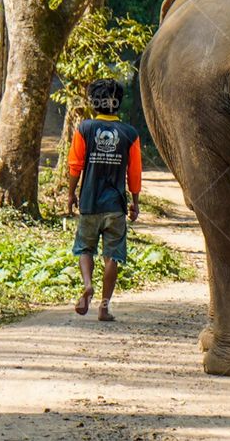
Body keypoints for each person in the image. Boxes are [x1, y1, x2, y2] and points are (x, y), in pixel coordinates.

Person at [67, 79, 141, 321]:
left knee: (85, 249)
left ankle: (88, 285)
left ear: (94, 103)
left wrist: (71, 194)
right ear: (117, 103)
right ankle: (104, 307)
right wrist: (135, 201)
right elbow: (135, 172)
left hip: (89, 203)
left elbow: (75, 166)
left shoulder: (84, 129)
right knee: (113, 256)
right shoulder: (130, 134)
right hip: (115, 206)